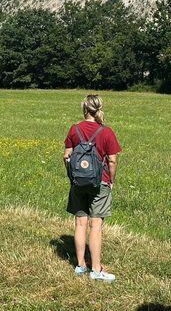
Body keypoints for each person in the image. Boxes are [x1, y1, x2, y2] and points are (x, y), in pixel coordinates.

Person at [62, 94, 120, 282]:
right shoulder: (106, 132)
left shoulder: (74, 129)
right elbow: (112, 160)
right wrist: (111, 180)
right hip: (100, 182)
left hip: (78, 182)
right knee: (96, 225)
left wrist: (72, 177)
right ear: (99, 109)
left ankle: (80, 266)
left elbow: (66, 156)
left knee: (80, 223)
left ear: (84, 109)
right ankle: (96, 270)